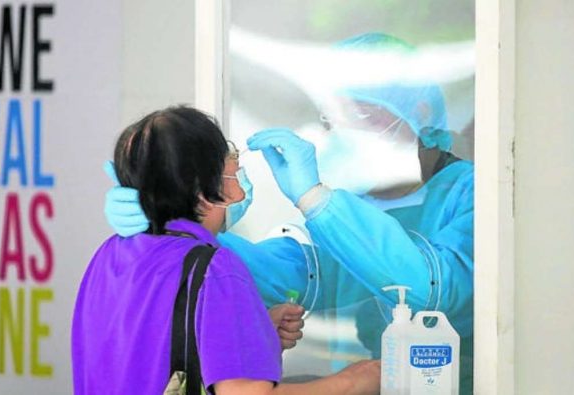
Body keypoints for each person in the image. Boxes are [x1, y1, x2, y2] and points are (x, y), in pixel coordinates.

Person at [105, 33, 474, 392]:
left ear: (419, 111)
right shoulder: (351, 211)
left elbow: (430, 288)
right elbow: (274, 274)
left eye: (361, 113)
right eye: (334, 117)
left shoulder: (474, 192)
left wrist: (314, 199)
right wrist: (171, 231)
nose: (346, 130)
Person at [72, 105, 380, 394]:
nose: (235, 162)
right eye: (228, 155)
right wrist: (353, 382)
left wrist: (253, 336)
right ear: (206, 186)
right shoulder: (214, 269)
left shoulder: (110, 254)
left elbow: (147, 352)